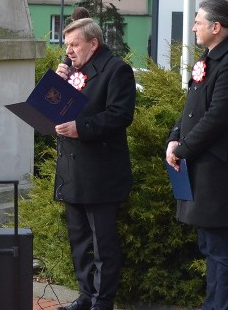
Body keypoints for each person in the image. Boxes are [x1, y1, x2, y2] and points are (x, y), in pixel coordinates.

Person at [165, 0, 228, 310]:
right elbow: (192, 109)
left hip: (217, 169)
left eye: (198, 22)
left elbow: (217, 117)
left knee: (219, 245)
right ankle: (213, 305)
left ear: (216, 27)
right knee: (209, 243)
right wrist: (174, 139)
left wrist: (185, 149)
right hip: (200, 164)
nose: (193, 27)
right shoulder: (210, 58)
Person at [54, 18, 136, 310]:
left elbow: (120, 115)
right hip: (72, 172)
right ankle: (85, 295)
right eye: (67, 46)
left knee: (103, 244)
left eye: (74, 45)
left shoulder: (116, 70)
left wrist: (81, 128)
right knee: (78, 240)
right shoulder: (73, 72)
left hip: (100, 173)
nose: (69, 51)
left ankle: (102, 301)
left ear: (93, 43)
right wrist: (56, 86)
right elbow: (55, 112)